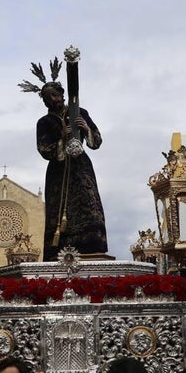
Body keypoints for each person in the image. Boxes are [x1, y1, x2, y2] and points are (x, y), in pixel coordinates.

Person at [33, 75, 107, 259]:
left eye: (56, 94)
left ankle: (91, 246)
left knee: (88, 202)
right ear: (45, 101)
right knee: (58, 208)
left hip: (80, 167)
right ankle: (58, 248)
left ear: (62, 94)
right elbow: (43, 149)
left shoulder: (79, 112)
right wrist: (61, 137)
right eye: (50, 96)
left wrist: (86, 128)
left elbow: (97, 141)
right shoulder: (43, 122)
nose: (55, 99)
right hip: (58, 171)